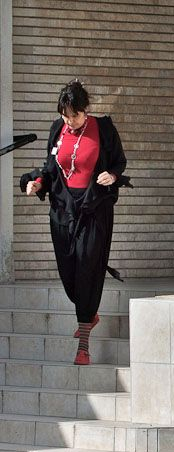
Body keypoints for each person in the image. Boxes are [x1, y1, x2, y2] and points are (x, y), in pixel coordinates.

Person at [20, 80, 130, 365]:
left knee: (87, 270)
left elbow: (118, 161)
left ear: (85, 110)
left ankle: (83, 346)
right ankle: (89, 314)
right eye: (65, 115)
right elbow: (50, 167)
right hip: (62, 209)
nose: (69, 121)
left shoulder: (103, 129)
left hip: (94, 208)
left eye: (74, 115)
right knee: (69, 273)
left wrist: (113, 176)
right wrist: (36, 183)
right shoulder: (57, 129)